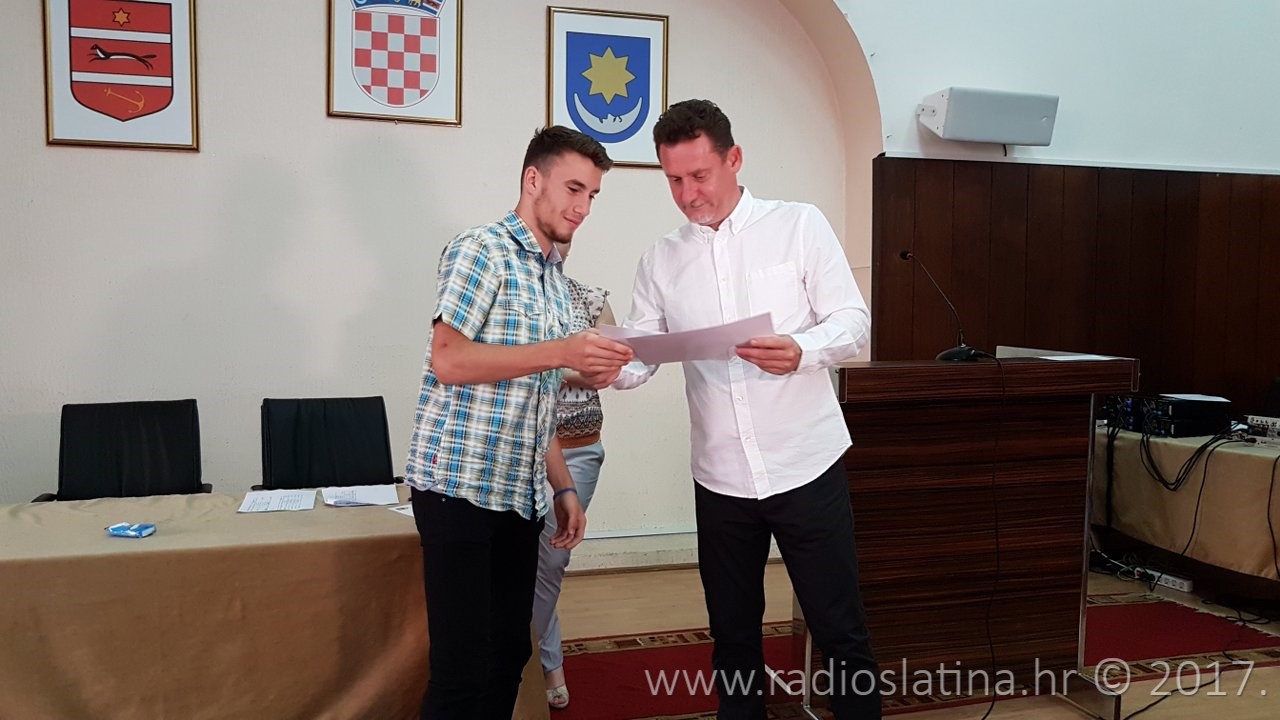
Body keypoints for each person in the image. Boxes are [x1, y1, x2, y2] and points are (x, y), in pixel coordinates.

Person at [614, 99, 881, 719]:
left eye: (699, 176)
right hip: (721, 478)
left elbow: (853, 322)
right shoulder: (660, 260)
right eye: (673, 180)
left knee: (840, 629)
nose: (688, 195)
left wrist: (804, 349)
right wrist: (606, 365)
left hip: (805, 464)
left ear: (734, 159)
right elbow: (640, 357)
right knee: (732, 637)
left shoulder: (798, 226)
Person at [404, 126, 634, 720]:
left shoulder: (553, 277)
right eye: (573, 189)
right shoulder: (481, 249)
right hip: (458, 487)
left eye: (592, 196)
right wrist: (562, 352)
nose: (582, 208)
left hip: (520, 493)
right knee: (460, 671)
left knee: (509, 654)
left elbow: (536, 395)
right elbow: (448, 359)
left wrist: (562, 485)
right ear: (533, 179)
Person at [533, 240, 615, 710]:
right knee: (518, 566)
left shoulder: (592, 299)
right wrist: (567, 365)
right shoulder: (512, 297)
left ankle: (525, 661)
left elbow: (612, 367)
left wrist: (539, 362)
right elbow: (493, 364)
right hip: (516, 449)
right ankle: (546, 663)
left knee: (551, 560)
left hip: (578, 447)